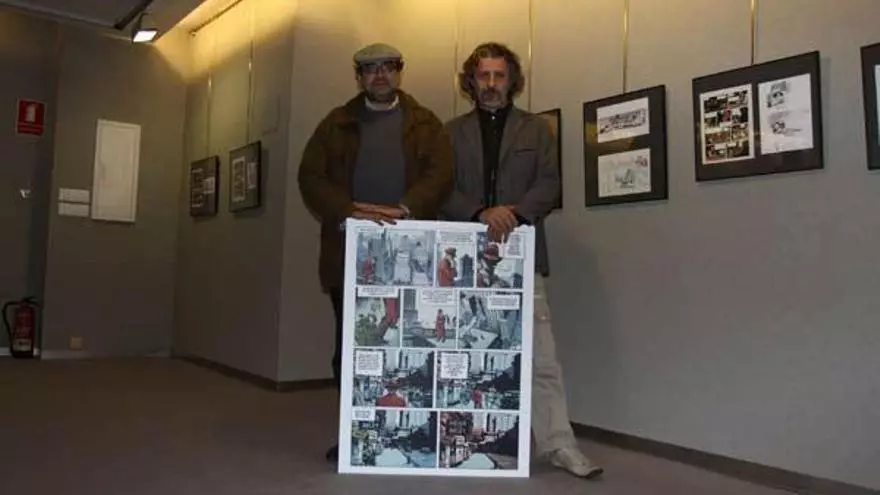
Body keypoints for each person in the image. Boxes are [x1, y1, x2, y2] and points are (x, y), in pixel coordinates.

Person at [441, 42, 604, 479]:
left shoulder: (536, 130)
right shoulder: (449, 133)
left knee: (541, 358)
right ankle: (465, 442)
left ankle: (559, 445)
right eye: (483, 76)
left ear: (512, 80)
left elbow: (550, 184)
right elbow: (440, 188)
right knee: (465, 354)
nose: (491, 84)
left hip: (522, 255)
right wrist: (480, 212)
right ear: (471, 81)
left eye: (499, 75)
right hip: (464, 255)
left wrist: (511, 215)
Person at [297, 42, 454, 462]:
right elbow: (310, 177)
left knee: (411, 345)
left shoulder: (426, 123)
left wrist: (405, 208)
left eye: (387, 67)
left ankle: (412, 432)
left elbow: (442, 174)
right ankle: (356, 433)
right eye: (370, 69)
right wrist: (349, 209)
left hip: (412, 249)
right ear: (359, 77)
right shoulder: (335, 124)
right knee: (354, 345)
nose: (380, 75)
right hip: (350, 249)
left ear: (400, 72)